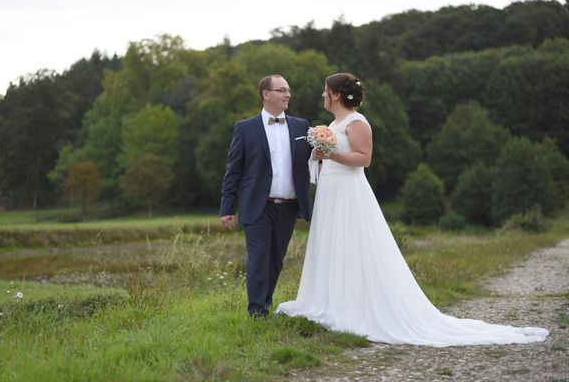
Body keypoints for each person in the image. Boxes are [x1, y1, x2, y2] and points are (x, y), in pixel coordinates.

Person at [275, 72, 549, 346]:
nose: (322, 94)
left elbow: (364, 159)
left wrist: (330, 153)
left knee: (353, 244)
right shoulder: (334, 123)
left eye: (325, 90)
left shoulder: (357, 122)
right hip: (330, 192)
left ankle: (355, 308)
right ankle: (329, 301)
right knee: (333, 244)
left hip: (349, 192)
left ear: (335, 94)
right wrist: (319, 156)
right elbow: (331, 159)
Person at [220, 74, 312, 318]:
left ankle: (265, 305)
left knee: (275, 261)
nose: (287, 95)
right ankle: (257, 311)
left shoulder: (302, 126)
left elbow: (312, 162)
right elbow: (233, 171)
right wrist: (227, 208)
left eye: (288, 90)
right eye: (282, 90)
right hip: (258, 206)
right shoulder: (245, 128)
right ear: (266, 94)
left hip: (289, 207)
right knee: (258, 258)